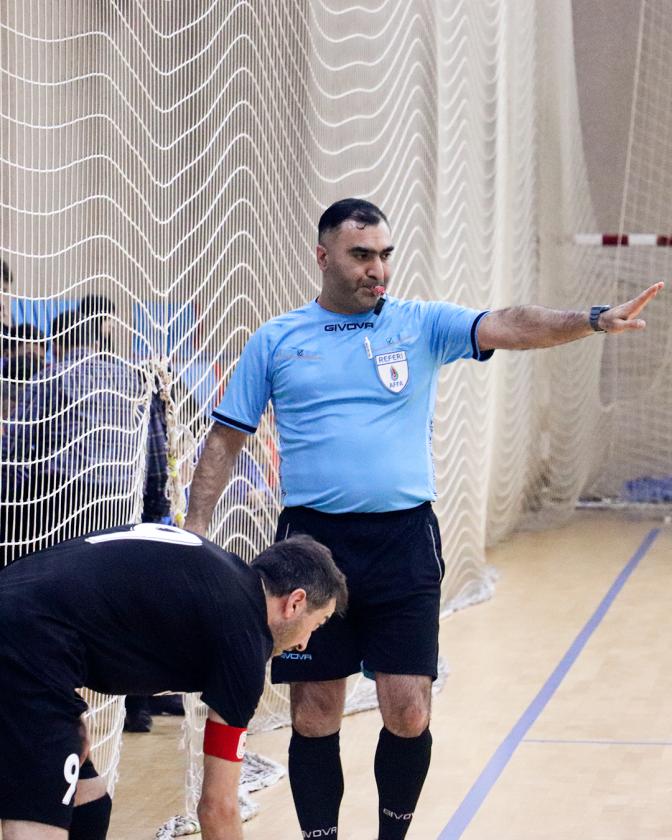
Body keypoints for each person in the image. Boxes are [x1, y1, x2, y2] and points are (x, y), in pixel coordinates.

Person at [184, 197, 664, 839]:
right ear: (322, 257)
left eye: (384, 255)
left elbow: (510, 324)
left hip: (404, 541)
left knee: (409, 710)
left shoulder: (420, 324)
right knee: (315, 712)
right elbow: (226, 438)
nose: (376, 269)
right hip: (310, 546)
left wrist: (594, 320)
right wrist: (195, 532)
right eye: (360, 255)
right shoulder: (277, 338)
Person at [0, 523, 347, 840]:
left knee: (89, 804)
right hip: (27, 642)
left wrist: (63, 711)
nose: (304, 643)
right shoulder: (245, 638)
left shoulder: (222, 577)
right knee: (38, 823)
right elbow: (217, 808)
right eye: (316, 625)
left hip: (28, 629)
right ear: (295, 603)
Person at [1, 307, 169, 559]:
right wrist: (153, 515)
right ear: (96, 344)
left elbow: (12, 449)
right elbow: (157, 463)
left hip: (60, 503)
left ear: (55, 347)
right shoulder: (134, 382)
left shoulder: (52, 376)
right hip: (121, 503)